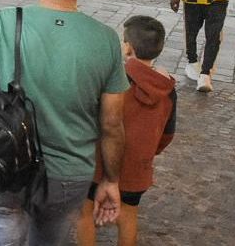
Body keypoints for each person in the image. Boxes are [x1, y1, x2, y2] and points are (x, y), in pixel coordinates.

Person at [0, 0, 128, 246]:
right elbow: (112, 124)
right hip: (69, 174)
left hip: (6, 163)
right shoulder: (106, 40)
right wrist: (112, 180)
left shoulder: (5, 22)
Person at [76, 16, 177, 246]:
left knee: (85, 213)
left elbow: (93, 117)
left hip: (100, 160)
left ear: (128, 47)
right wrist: (151, 150)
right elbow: (168, 133)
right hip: (138, 166)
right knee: (128, 216)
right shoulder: (168, 90)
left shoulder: (114, 78)